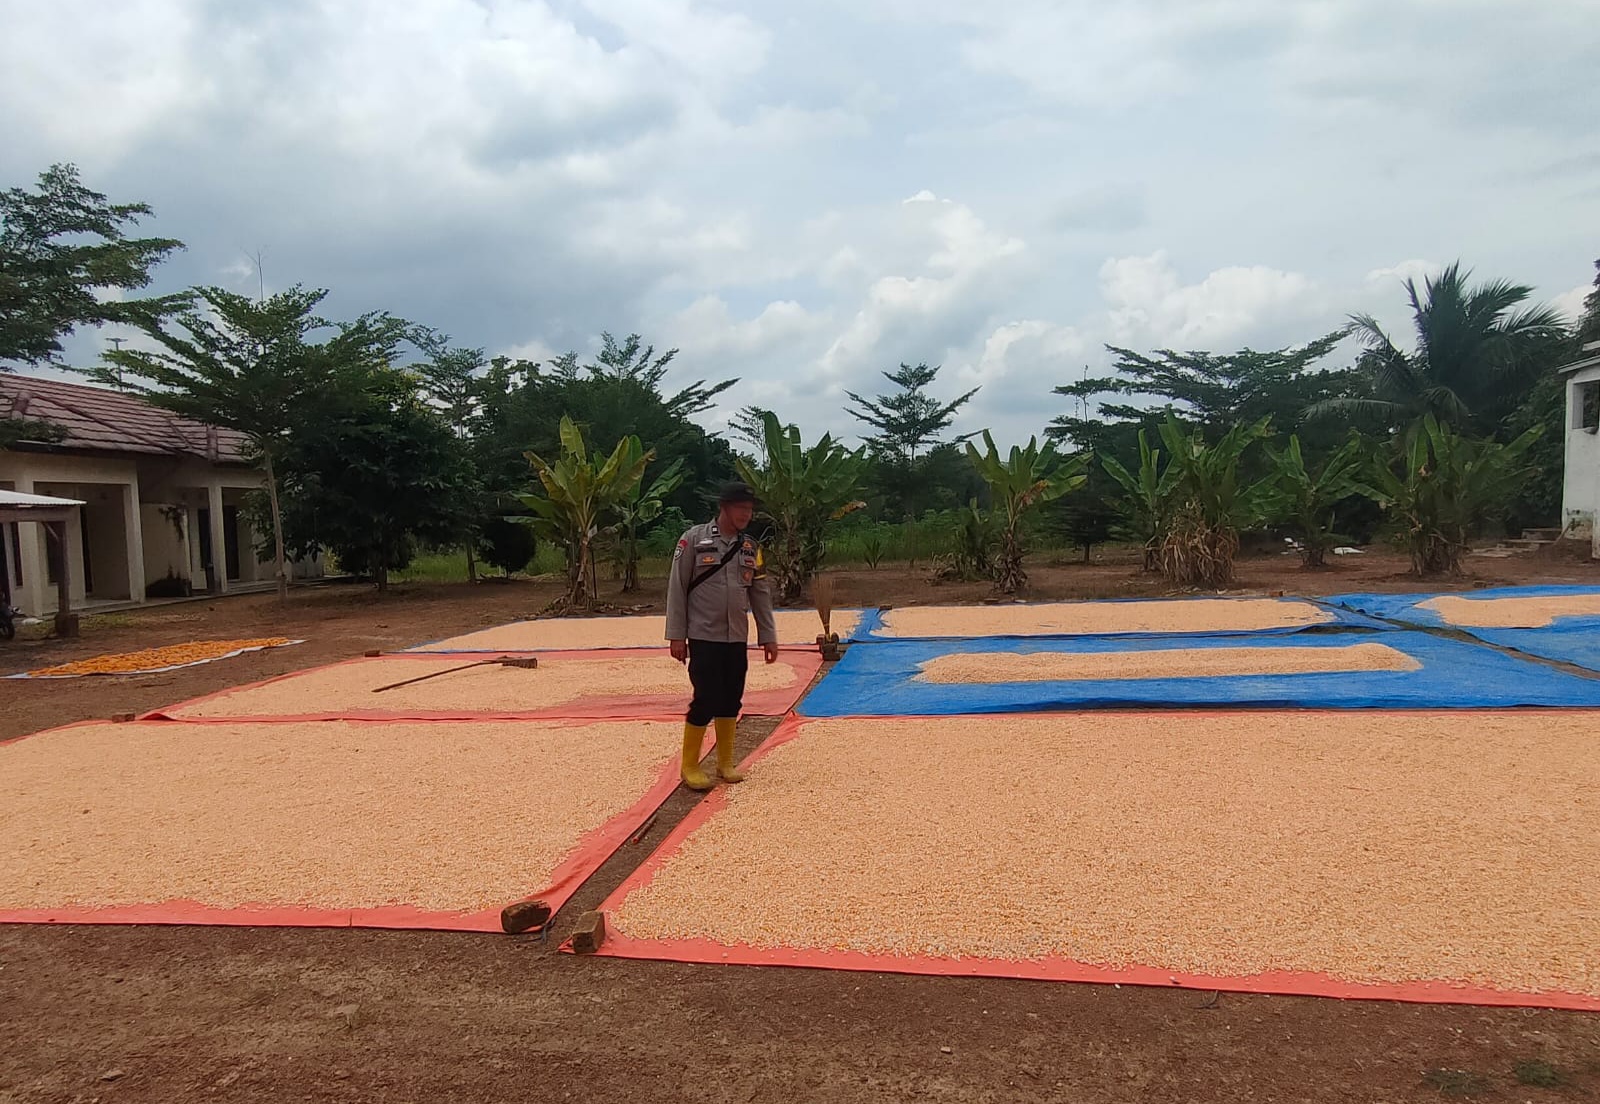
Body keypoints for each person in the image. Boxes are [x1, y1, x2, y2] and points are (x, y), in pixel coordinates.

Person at [665, 481, 779, 790]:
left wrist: (768, 635)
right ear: (724, 507)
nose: (746, 514)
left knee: (731, 698)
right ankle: (690, 766)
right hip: (703, 635)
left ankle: (725, 763)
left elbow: (760, 593)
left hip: (735, 637)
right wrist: (676, 635)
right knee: (706, 697)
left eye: (750, 509)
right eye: (741, 508)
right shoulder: (693, 539)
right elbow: (677, 587)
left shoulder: (751, 548)